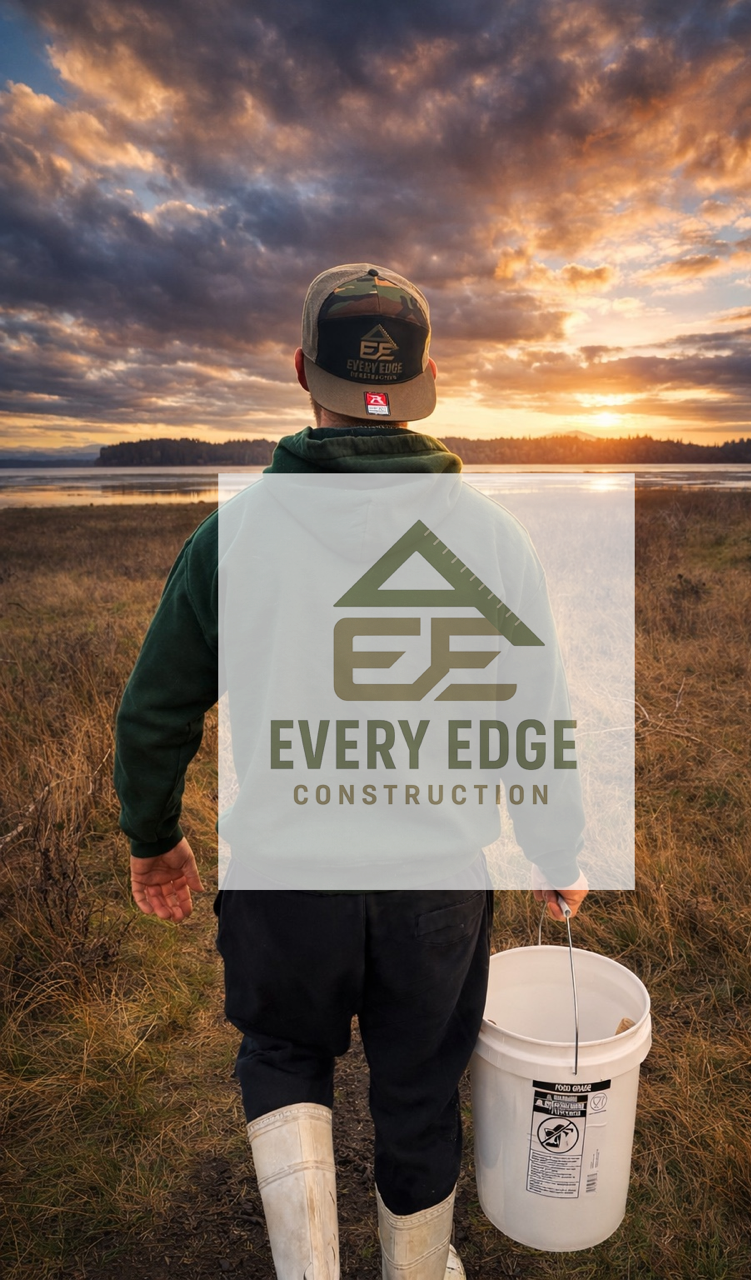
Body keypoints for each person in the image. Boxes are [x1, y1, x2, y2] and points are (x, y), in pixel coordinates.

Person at [114, 264, 588, 1280]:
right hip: (436, 887)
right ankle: (418, 1268)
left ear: (300, 370)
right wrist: (556, 847)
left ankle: (309, 1267)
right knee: (420, 1080)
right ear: (429, 385)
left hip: (283, 879)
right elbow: (533, 715)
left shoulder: (230, 534)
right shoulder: (494, 539)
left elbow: (154, 709)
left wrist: (154, 837)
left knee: (284, 1052)